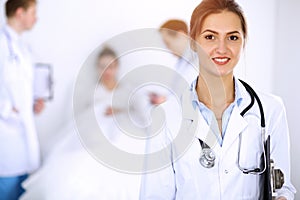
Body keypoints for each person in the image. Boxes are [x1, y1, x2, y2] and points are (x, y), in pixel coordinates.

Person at [140, 0, 296, 199]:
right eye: (210, 37)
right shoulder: (165, 116)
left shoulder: (270, 110)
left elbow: (281, 188)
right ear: (193, 43)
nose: (221, 48)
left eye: (232, 37)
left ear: (243, 42)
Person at [0, 0, 45, 199]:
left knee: (21, 186)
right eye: (33, 12)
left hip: (22, 128)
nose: (36, 18)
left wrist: (34, 100)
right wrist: (7, 109)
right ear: (20, 13)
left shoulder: (22, 46)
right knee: (7, 186)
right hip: (5, 129)